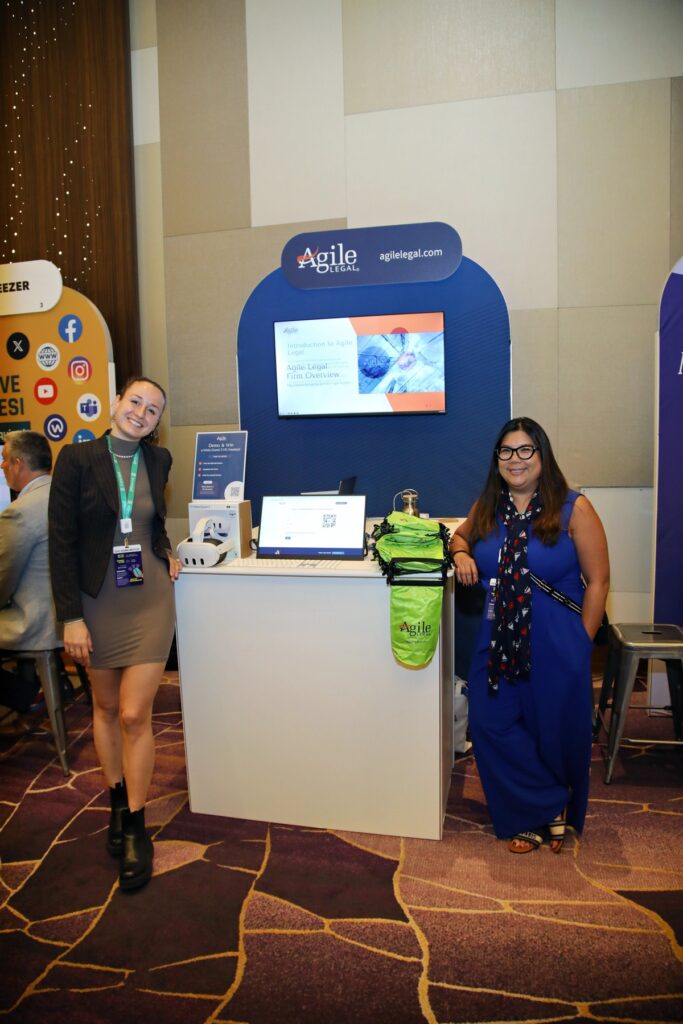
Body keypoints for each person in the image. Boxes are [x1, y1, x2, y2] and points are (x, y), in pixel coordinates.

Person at [450, 417, 609, 854]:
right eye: (506, 451)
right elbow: (460, 536)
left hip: (556, 637)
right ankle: (547, 802)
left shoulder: (574, 509)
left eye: (525, 450)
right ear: (496, 459)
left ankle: (533, 817)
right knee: (490, 724)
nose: (515, 459)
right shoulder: (488, 506)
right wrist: (461, 553)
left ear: (542, 455)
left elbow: (598, 581)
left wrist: (582, 643)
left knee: (550, 726)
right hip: (497, 634)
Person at [49, 377, 182, 891]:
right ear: (115, 403)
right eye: (135, 402)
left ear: (157, 421)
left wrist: (166, 550)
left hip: (149, 599)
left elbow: (151, 522)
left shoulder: (159, 459)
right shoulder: (77, 459)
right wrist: (70, 617)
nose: (142, 413)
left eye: (153, 410)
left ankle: (136, 828)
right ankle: (116, 802)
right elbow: (62, 543)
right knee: (104, 709)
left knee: (132, 714)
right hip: (96, 601)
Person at [0, 431, 61, 713]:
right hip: (67, 613)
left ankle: (26, 695)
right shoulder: (64, 495)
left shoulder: (19, 512)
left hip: (37, 621)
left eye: (4, 459)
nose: (2, 466)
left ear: (19, 463)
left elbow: (2, 582)